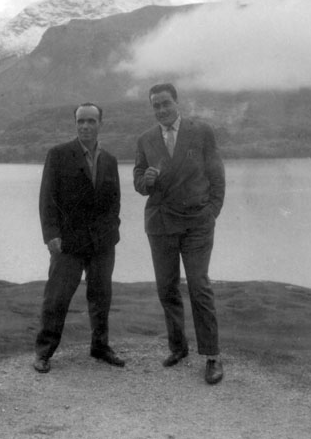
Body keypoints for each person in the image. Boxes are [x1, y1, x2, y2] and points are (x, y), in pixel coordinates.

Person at [133, 83, 225, 385]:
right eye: (156, 105)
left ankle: (212, 356)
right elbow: (138, 181)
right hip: (161, 223)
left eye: (165, 103)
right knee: (167, 288)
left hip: (197, 223)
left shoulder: (202, 132)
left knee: (199, 285)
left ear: (176, 102)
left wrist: (212, 211)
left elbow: (216, 174)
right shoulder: (145, 139)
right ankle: (178, 347)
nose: (161, 110)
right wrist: (146, 181)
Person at [33, 102, 125, 373]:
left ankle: (100, 347)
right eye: (80, 121)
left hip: (102, 243)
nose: (85, 126)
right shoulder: (58, 154)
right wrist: (51, 235)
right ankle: (43, 353)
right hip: (68, 243)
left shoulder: (109, 160)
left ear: (100, 124)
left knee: (101, 297)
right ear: (75, 124)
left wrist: (112, 230)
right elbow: (46, 198)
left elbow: (115, 201)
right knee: (56, 298)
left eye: (91, 121)